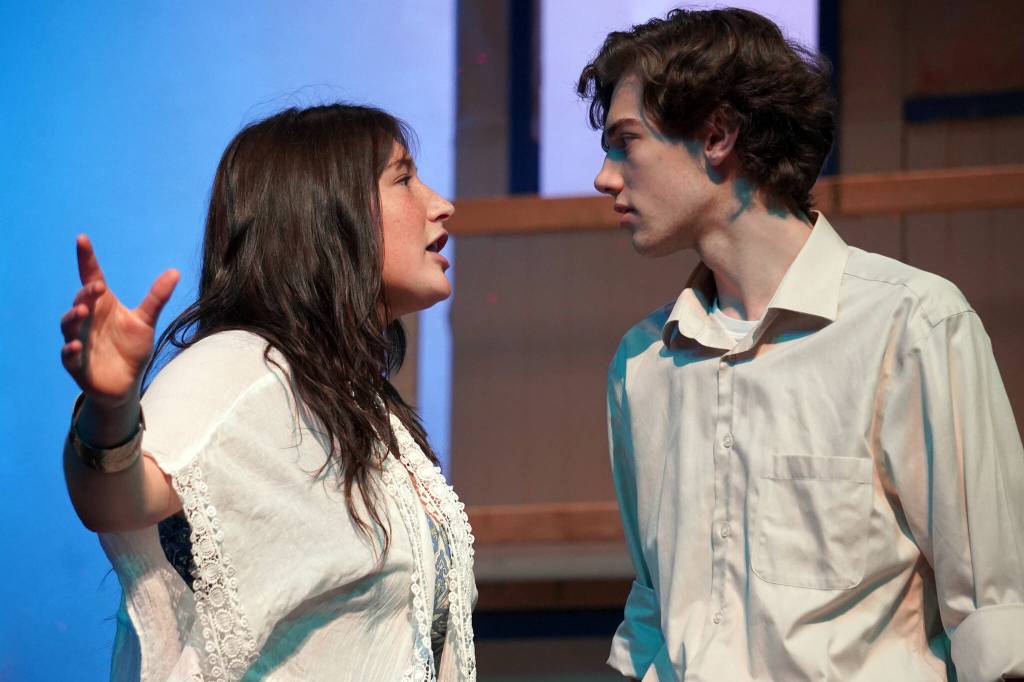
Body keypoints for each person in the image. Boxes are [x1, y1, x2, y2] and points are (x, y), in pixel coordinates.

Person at [577, 8, 1024, 681]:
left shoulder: (912, 325)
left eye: (626, 142)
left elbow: (997, 613)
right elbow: (654, 605)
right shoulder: (642, 364)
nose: (605, 178)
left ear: (718, 134)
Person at [59, 104, 476, 681]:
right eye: (403, 179)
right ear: (323, 217)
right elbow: (116, 501)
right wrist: (110, 407)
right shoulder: (240, 367)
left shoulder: (357, 400)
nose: (439, 204)